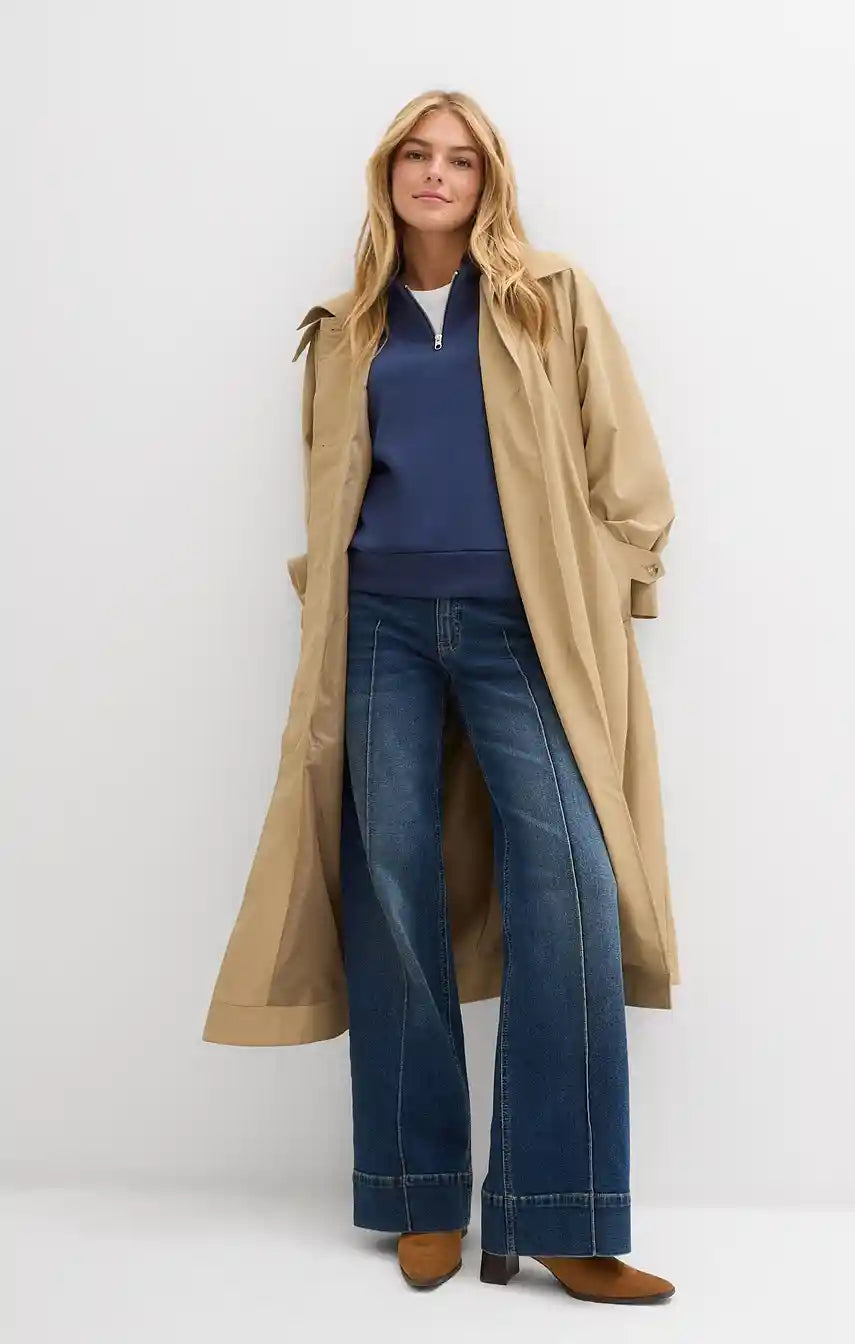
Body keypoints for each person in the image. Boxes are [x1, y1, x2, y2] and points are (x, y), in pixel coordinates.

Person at [203, 88, 678, 1305]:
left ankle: (563, 1216)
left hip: (525, 628)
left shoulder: (547, 298)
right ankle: (417, 1195)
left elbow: (625, 467)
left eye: (459, 160)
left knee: (571, 878)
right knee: (393, 886)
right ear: (388, 175)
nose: (435, 174)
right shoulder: (345, 327)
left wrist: (610, 582)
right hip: (381, 633)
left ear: (487, 181)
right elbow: (328, 490)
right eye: (416, 155)